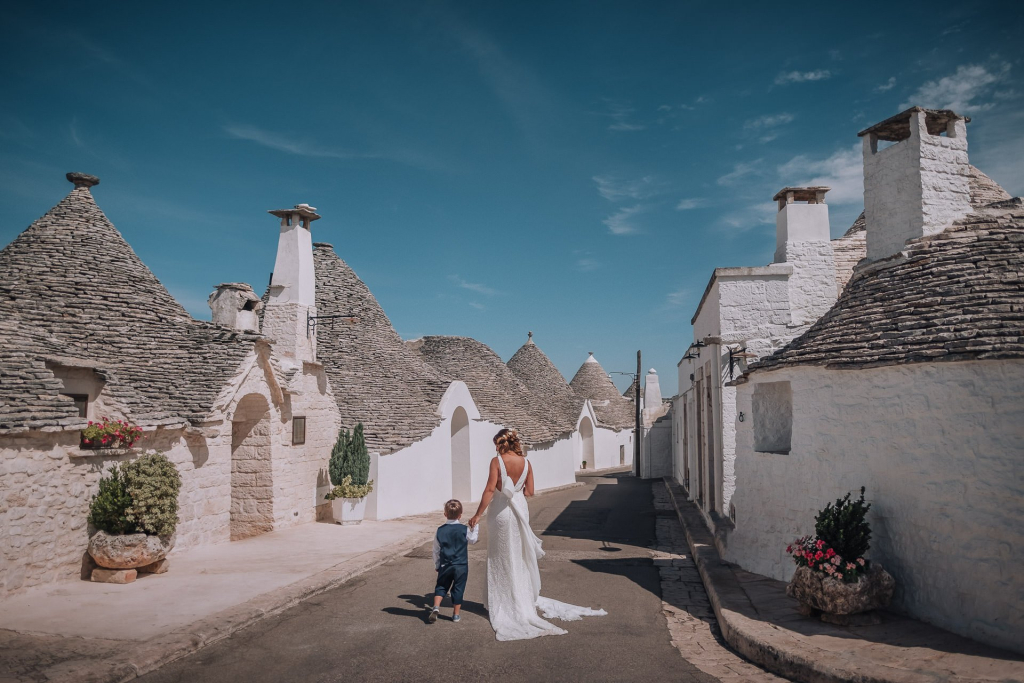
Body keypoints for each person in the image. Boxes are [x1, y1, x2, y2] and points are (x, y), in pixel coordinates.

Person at [468, 428, 606, 641]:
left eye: (496, 443)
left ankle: (504, 602)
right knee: (518, 555)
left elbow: (488, 490)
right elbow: (530, 492)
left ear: (500, 444)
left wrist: (477, 515)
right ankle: (520, 601)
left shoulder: (497, 461)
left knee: (500, 557)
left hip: (501, 512)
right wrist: (516, 493)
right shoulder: (527, 463)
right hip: (520, 509)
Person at [428, 499, 479, 623]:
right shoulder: (464, 529)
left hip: (445, 564)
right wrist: (475, 527)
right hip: (461, 565)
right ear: (460, 515)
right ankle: (456, 615)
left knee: (441, 585)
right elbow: (473, 540)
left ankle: (436, 607)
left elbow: (436, 550)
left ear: (445, 514)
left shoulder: (440, 530)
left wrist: (437, 564)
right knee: (458, 588)